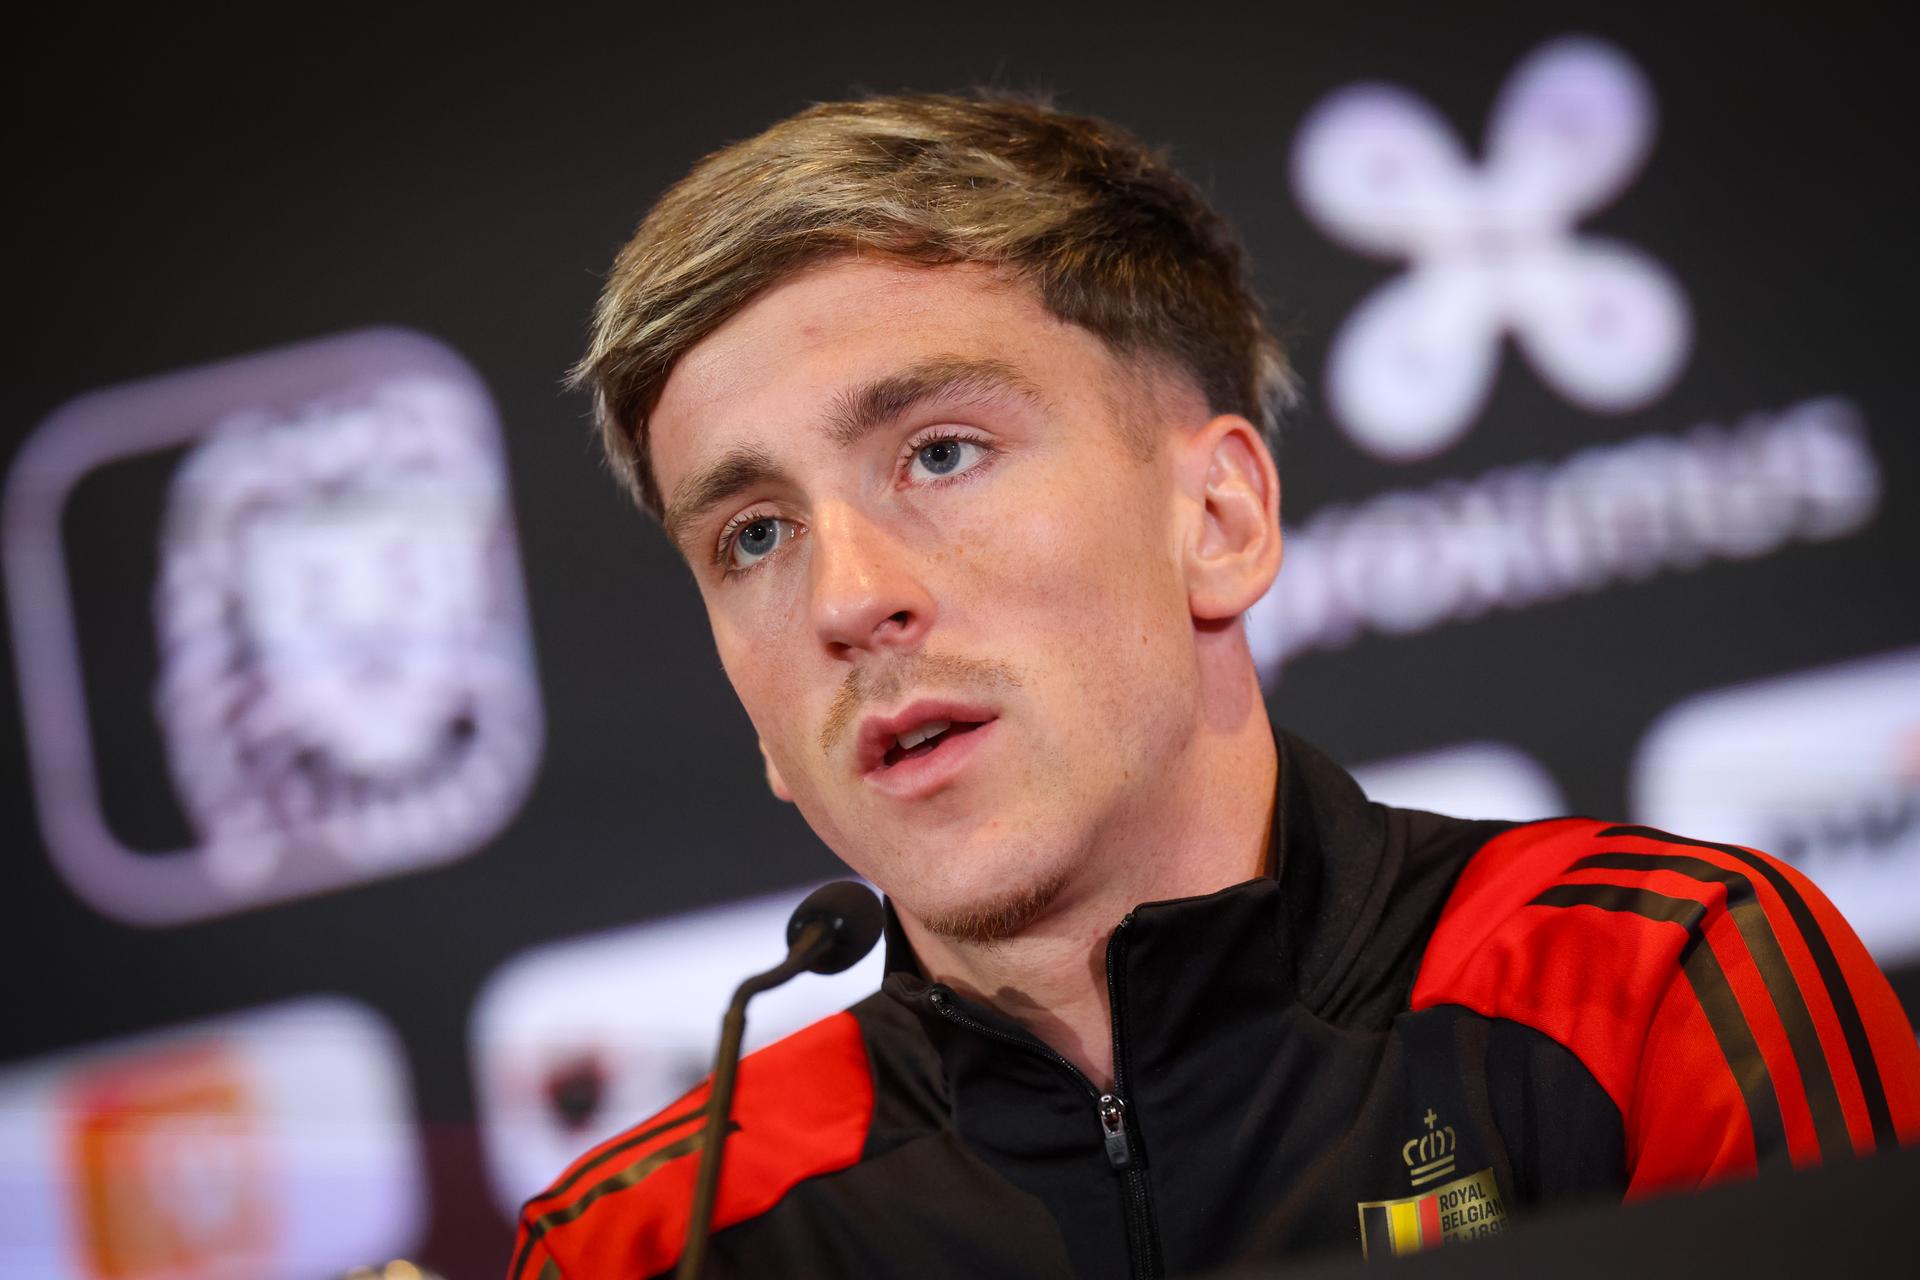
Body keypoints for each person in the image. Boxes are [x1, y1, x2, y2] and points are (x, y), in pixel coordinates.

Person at [507, 92, 1920, 1279]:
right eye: (752, 536)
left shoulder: (1649, 987)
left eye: (940, 453)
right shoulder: (642, 1245)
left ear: (1222, 519)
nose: (843, 597)